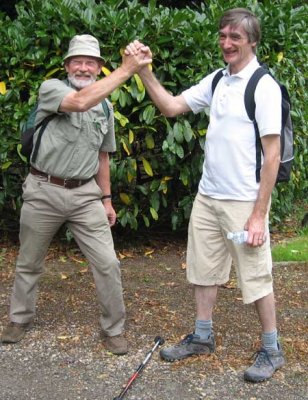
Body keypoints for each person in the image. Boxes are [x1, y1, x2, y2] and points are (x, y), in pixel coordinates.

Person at [125, 8, 285, 382]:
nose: (227, 43)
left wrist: (259, 213)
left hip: (244, 200)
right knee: (203, 269)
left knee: (256, 275)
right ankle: (202, 336)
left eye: (236, 38)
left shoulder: (263, 86)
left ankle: (272, 349)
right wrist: (144, 70)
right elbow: (171, 107)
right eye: (223, 36)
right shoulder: (217, 80)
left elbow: (273, 154)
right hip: (208, 196)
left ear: (252, 41)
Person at [0, 34, 151, 355]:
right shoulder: (51, 89)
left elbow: (103, 157)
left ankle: (114, 329)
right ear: (67, 65)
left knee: (108, 263)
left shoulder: (106, 108)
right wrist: (127, 70)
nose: (83, 67)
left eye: (90, 62)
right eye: (77, 61)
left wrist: (107, 200)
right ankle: (19, 318)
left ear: (98, 68)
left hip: (86, 196)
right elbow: (81, 101)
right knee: (29, 262)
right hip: (43, 190)